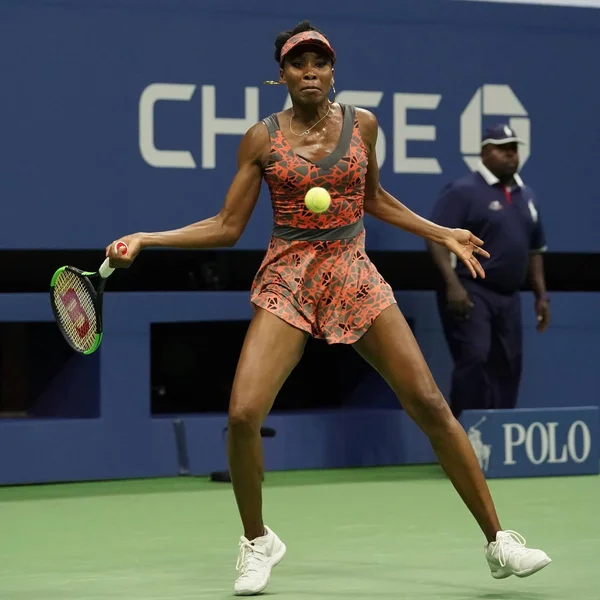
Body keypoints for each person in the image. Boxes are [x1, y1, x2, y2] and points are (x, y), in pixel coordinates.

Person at [106, 21, 551, 596]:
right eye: (298, 63)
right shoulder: (260, 139)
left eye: (320, 62)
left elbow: (375, 199)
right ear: (281, 74)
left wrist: (441, 232)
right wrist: (147, 238)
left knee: (429, 402)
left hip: (352, 271)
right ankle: (256, 540)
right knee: (243, 414)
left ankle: (499, 541)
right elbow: (225, 226)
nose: (310, 71)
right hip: (289, 276)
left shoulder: (362, 124)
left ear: (333, 70)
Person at [427, 125, 550, 419]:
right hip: (472, 288)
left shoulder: (526, 196)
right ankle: (462, 436)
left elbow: (535, 251)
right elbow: (437, 240)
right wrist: (452, 285)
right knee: (475, 357)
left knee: (509, 363)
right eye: (501, 148)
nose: (510, 154)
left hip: (509, 295)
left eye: (513, 148)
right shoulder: (463, 191)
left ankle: (500, 436)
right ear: (484, 153)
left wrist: (541, 296)